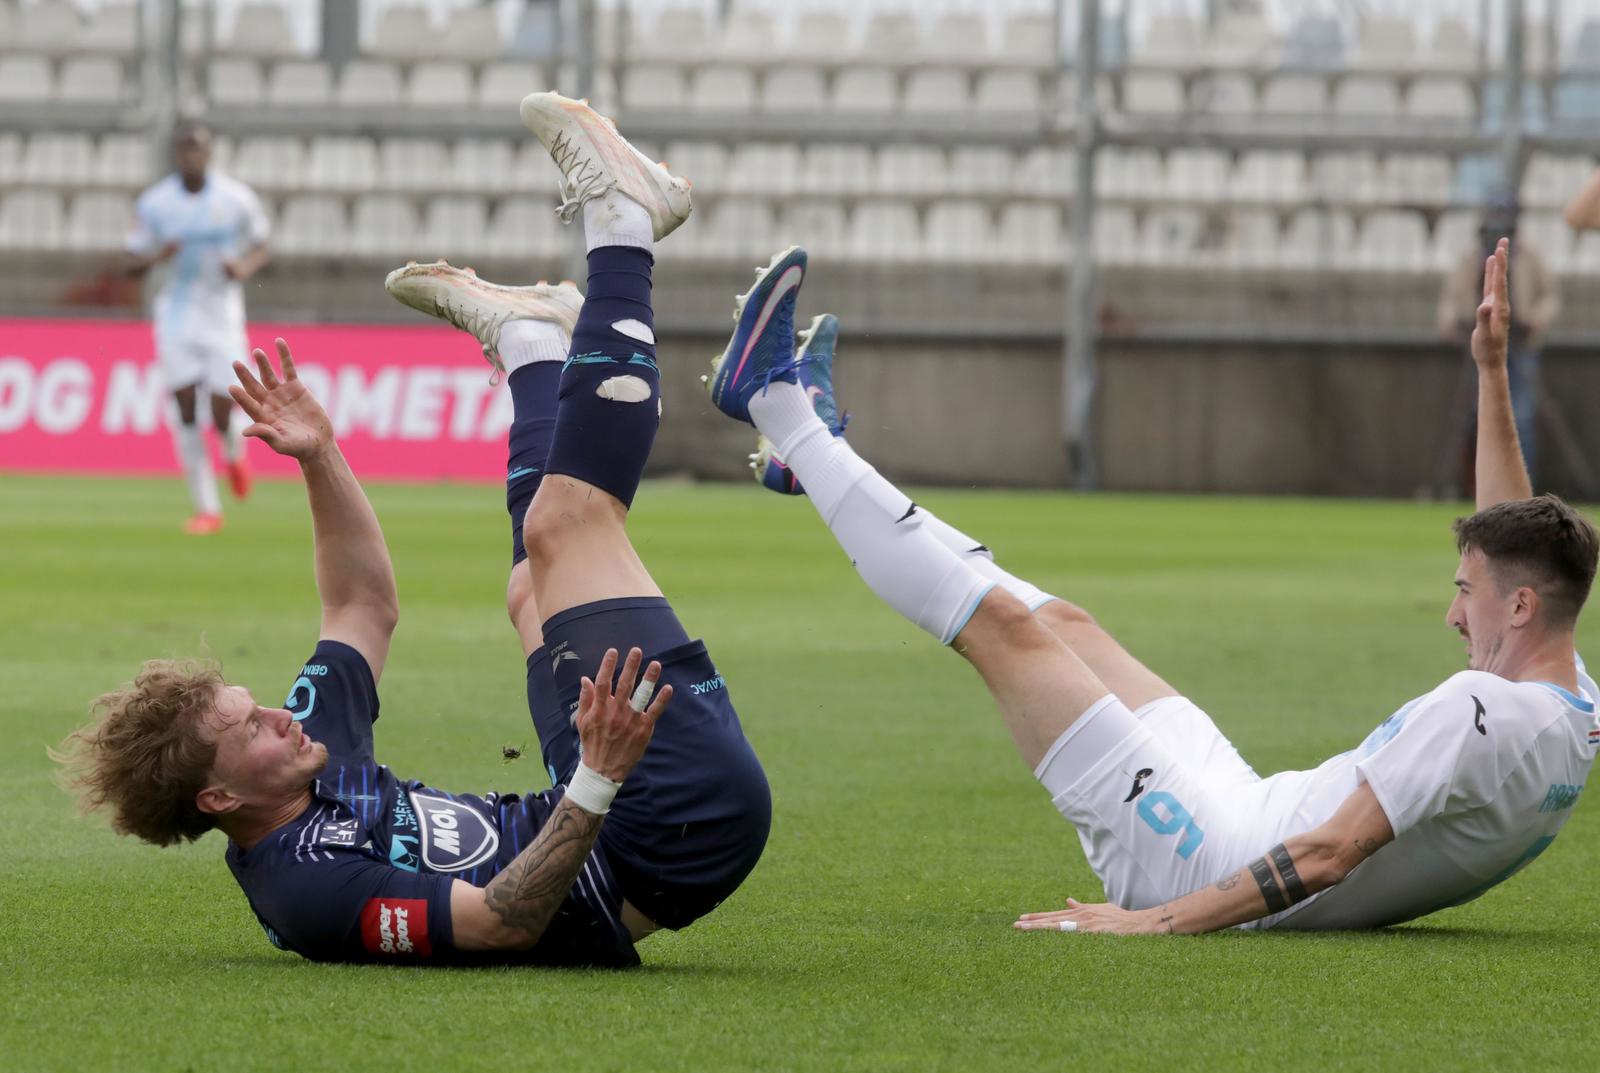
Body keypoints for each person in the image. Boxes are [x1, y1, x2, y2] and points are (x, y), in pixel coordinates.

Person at [707, 237, 1597, 934]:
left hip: (1196, 858)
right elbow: (1508, 539)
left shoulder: (1477, 707)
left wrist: (1158, 918)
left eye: (1465, 594)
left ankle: (773, 405)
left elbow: (1329, 855)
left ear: (1520, 607)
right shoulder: (1572, 701)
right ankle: (822, 459)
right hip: (1241, 799)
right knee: (1066, 621)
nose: (1451, 612)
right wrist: (1490, 370)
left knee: (1002, 626)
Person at [60, 94, 771, 965]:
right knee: (566, 525)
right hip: (666, 832)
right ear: (216, 799)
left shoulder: (308, 750)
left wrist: (320, 456)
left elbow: (361, 604)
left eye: (257, 706)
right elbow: (503, 921)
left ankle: (535, 352)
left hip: (598, 795)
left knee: (529, 590)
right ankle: (624, 221)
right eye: (249, 729)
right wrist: (599, 774)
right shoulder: (306, 886)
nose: (279, 715)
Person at [125, 120, 271, 535]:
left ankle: (233, 452)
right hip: (177, 311)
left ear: (209, 154)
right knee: (186, 406)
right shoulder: (156, 203)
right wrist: (158, 256)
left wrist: (243, 267)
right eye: (185, 149)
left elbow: (262, 243)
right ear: (177, 156)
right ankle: (207, 507)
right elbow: (130, 262)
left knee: (222, 408)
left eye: (199, 149)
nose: (192, 156)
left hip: (221, 311)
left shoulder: (235, 198)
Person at [1436, 195, 1559, 490]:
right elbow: (1452, 296)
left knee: (1524, 417)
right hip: (1479, 344)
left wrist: (1536, 320)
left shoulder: (1530, 255)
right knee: (1476, 418)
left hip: (1521, 343)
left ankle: (1525, 487)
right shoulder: (1471, 257)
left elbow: (1550, 297)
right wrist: (1452, 322)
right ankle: (1475, 487)